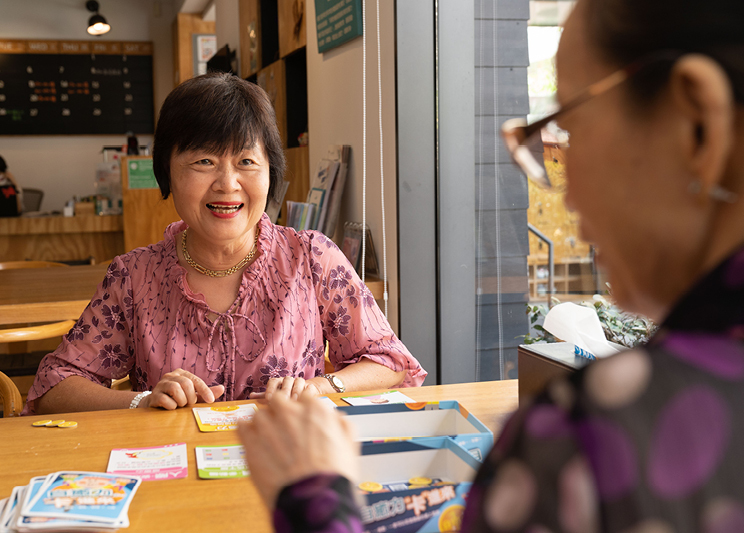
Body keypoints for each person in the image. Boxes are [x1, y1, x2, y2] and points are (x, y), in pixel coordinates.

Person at [238, 0, 744, 530]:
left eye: (571, 125)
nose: (566, 190)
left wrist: (312, 493)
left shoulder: (593, 438)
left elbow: (391, 361)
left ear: (697, 123)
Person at [24, 73, 426, 415]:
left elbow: (389, 360)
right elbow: (55, 384)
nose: (228, 184)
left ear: (271, 172)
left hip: (287, 466)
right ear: (167, 171)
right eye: (204, 161)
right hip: (175, 470)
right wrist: (140, 401)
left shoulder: (311, 258)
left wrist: (321, 388)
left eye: (246, 162)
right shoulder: (134, 277)